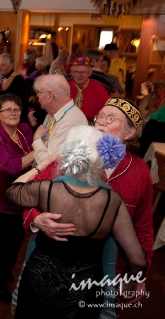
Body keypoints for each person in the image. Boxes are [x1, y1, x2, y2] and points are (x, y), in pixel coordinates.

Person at [22, 98, 153, 317]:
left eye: (110, 118)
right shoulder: (73, 155)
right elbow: (29, 194)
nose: (100, 122)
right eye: (99, 116)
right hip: (51, 269)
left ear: (129, 133)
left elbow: (143, 227)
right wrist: (36, 219)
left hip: (108, 276)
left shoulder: (139, 172)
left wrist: (139, 276)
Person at [0, 93, 35, 302]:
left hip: (18, 198)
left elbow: (36, 143)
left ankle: (4, 271)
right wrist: (40, 151)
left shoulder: (24, 130)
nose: (13, 113)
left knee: (14, 242)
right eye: (8, 110)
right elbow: (11, 167)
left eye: (16, 110)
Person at [32, 74, 88, 164]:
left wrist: (37, 139)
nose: (37, 96)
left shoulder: (70, 121)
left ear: (50, 96)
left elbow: (48, 165)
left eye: (39, 92)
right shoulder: (52, 113)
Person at [68, 56, 109, 122]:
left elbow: (107, 110)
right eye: (75, 72)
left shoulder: (99, 88)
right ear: (71, 73)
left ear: (90, 73)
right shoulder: (65, 87)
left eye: (83, 72)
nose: (79, 75)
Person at [0, 53, 28, 123]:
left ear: (11, 66)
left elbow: (20, 102)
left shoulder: (16, 79)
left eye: (3, 65)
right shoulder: (4, 77)